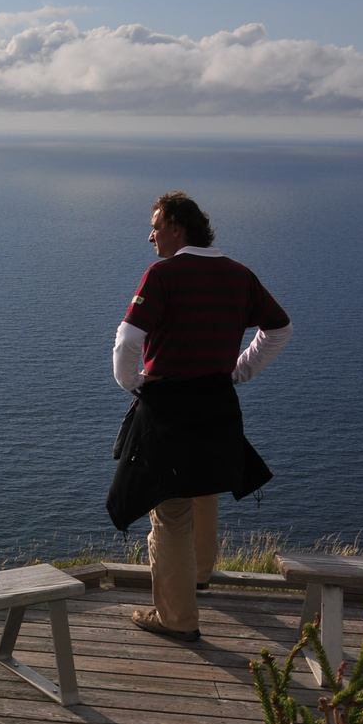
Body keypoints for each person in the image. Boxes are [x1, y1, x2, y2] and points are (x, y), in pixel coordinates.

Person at [111, 192, 292, 642]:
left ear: (177, 226)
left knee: (170, 509)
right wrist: (240, 370)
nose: (149, 235)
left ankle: (177, 618)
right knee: (204, 487)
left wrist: (131, 382)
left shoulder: (163, 275)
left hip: (170, 403)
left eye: (155, 225)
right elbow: (279, 328)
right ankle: (199, 577)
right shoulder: (238, 274)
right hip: (217, 401)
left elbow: (127, 338)